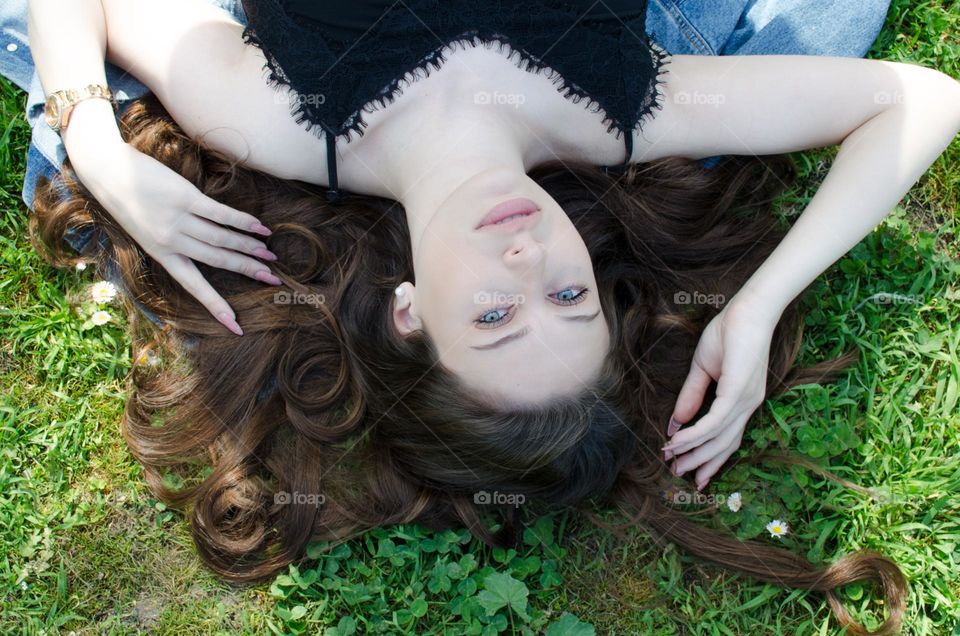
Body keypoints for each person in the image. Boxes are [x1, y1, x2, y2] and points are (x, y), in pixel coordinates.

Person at [6, 0, 959, 630]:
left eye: (497, 315)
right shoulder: (626, 112)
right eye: (570, 294)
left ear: (410, 314)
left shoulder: (272, 119)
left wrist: (94, 140)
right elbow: (922, 104)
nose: (528, 255)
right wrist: (754, 307)